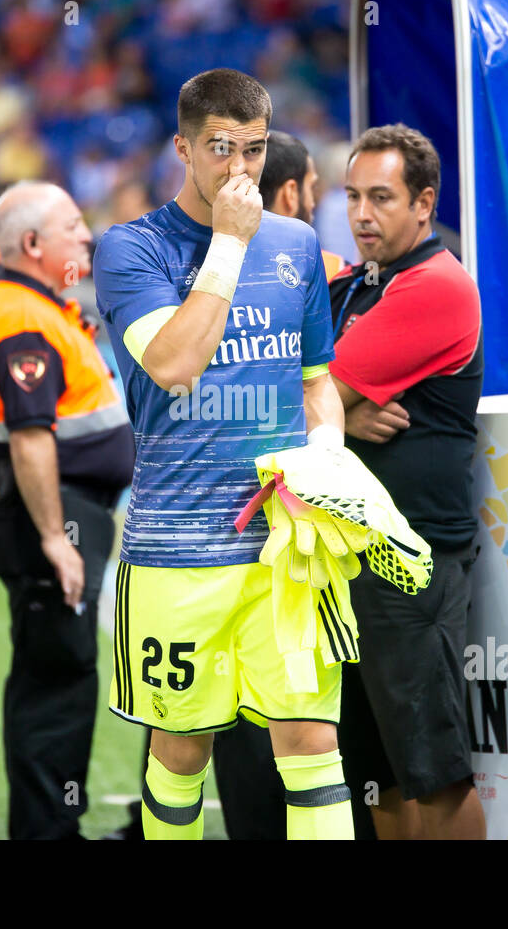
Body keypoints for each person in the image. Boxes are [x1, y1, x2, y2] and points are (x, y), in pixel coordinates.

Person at [94, 68, 351, 841]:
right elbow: (174, 364)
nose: (240, 168)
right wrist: (231, 245)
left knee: (313, 743)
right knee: (181, 751)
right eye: (220, 149)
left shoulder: (299, 247)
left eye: (254, 148)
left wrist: (327, 455)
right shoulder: (129, 249)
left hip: (285, 550)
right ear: (183, 147)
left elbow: (317, 385)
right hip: (177, 551)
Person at [317, 124, 485, 839]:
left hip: (408, 564)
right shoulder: (361, 283)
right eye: (353, 195)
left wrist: (327, 404)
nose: (361, 213)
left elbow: (304, 394)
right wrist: (345, 421)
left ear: (425, 204)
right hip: (353, 558)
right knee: (378, 773)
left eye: (381, 197)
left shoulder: (434, 286)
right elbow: (297, 398)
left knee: (435, 772)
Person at [210, 127, 369, 840]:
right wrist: (352, 412)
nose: (331, 203)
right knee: (312, 729)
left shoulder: (194, 277)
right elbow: (335, 379)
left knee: (228, 717)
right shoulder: (327, 272)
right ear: (289, 193)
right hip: (298, 532)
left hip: (214, 530)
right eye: (320, 187)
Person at [0, 180, 134, 839]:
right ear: (33, 244)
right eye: (73, 225)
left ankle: (51, 827)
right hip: (51, 513)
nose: (87, 234)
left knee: (59, 671)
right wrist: (55, 538)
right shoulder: (23, 318)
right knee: (56, 677)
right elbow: (31, 438)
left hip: (67, 509)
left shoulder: (42, 307)